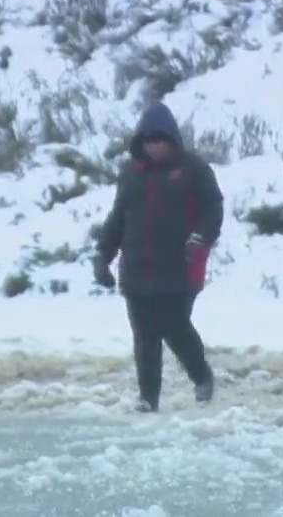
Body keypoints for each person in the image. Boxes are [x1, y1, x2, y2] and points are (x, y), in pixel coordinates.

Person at [92, 101, 224, 414]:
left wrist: (200, 237)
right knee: (144, 336)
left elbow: (213, 210)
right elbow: (118, 218)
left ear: (172, 139)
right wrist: (102, 256)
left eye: (159, 139)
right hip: (137, 269)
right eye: (148, 140)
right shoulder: (131, 174)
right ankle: (148, 398)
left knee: (175, 327)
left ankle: (201, 376)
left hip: (180, 266)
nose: (153, 147)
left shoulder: (194, 170)